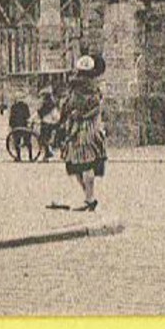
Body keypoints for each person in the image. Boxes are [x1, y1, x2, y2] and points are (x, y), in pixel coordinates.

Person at [57, 55, 107, 212]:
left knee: (80, 165)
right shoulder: (97, 89)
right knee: (88, 164)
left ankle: (89, 197)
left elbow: (67, 107)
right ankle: (89, 198)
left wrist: (71, 115)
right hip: (94, 130)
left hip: (79, 131)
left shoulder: (75, 89)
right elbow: (98, 109)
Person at [37, 87, 61, 158]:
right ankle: (47, 153)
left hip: (49, 123)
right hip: (49, 122)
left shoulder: (49, 104)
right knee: (44, 139)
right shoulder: (49, 103)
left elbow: (43, 112)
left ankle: (48, 152)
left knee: (44, 138)